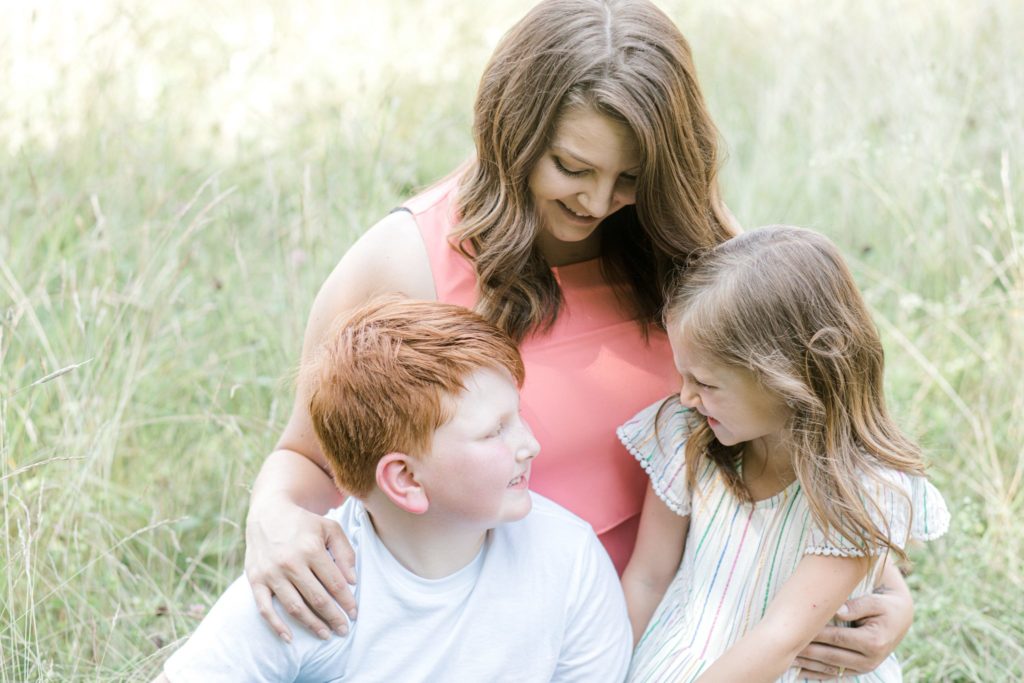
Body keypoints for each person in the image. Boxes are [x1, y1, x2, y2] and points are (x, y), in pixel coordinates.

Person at [243, 0, 916, 675]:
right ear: (516, 133)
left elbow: (800, 419)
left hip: (690, 628)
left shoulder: (693, 243)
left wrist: (885, 591)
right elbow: (312, 456)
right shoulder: (406, 257)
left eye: (629, 178)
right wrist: (272, 516)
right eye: (571, 166)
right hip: (503, 639)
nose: (597, 204)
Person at [157, 297, 632, 682]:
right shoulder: (312, 581)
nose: (530, 445)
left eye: (519, 416)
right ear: (405, 480)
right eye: (495, 432)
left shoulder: (567, 560)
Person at [619, 226, 950, 682]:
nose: (687, 396)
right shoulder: (687, 436)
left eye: (707, 383)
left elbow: (780, 639)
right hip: (680, 656)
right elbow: (647, 579)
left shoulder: (863, 492)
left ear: (789, 377)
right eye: (684, 376)